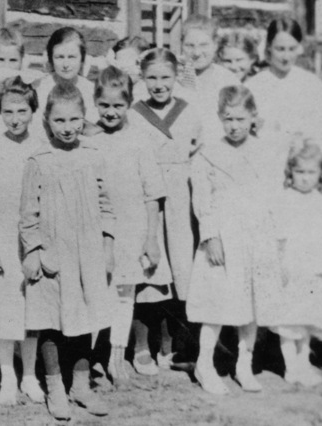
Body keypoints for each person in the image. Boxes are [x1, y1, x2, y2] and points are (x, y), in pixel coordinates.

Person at [20, 82, 115, 420]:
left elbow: (107, 206)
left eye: (74, 119)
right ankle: (55, 386)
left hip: (87, 253)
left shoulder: (92, 156)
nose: (67, 127)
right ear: (46, 121)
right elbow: (28, 214)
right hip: (53, 253)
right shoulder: (39, 159)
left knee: (85, 317)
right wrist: (32, 252)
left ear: (84, 118)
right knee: (51, 321)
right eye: (59, 121)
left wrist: (107, 245)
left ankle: (80, 384)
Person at [186, 85, 280, 396]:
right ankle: (204, 364)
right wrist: (210, 236)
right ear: (219, 118)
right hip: (224, 237)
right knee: (216, 304)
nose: (234, 126)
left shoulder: (265, 151)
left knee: (249, 305)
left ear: (253, 117)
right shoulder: (209, 154)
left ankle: (244, 363)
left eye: (240, 118)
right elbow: (202, 198)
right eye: (228, 119)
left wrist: (275, 238)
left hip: (255, 236)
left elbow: (272, 197)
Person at [88, 66, 168, 389]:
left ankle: (116, 357)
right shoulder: (87, 140)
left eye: (118, 106)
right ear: (95, 102)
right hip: (96, 229)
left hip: (132, 229)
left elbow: (153, 194)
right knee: (95, 291)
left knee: (124, 295)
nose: (110, 112)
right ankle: (89, 356)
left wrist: (151, 239)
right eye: (104, 105)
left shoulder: (139, 140)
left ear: (129, 104)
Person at [0, 77, 45, 405]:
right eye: (8, 111)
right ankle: (8, 378)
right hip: (0, 238)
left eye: (22, 111)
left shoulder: (42, 146)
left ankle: (29, 374)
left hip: (31, 240)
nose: (15, 118)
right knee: (3, 312)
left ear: (33, 111)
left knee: (31, 310)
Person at [129, 49, 202, 372]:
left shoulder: (189, 112)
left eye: (165, 77)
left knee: (181, 266)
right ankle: (143, 345)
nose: (159, 85)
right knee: (149, 269)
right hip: (146, 197)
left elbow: (199, 151)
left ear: (175, 77)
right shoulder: (133, 113)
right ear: (142, 79)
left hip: (181, 197)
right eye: (152, 78)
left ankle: (174, 343)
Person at [269, 141, 322, 387]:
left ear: (320, 174)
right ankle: (291, 368)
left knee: (306, 319)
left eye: (311, 173)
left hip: (314, 269)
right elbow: (279, 237)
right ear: (290, 173)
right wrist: (281, 265)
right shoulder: (285, 199)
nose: (305, 178)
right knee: (288, 320)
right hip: (291, 267)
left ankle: (303, 362)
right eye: (300, 172)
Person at [246, 18, 322, 160]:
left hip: (305, 167)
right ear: (269, 47)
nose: (286, 57)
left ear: (299, 48)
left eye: (292, 49)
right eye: (280, 49)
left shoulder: (312, 85)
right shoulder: (254, 86)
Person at [0, 27, 44, 152]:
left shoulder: (28, 89)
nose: (6, 66)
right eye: (0, 60)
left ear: (22, 60)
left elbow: (36, 129)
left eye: (13, 60)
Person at [175, 16, 241, 142]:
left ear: (215, 45)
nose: (197, 52)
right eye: (189, 45)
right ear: (181, 45)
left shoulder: (227, 80)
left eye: (204, 45)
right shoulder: (173, 77)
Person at [35, 27, 98, 123]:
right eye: (59, 57)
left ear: (82, 59)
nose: (66, 65)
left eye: (72, 57)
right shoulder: (40, 88)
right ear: (51, 59)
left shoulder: (90, 90)